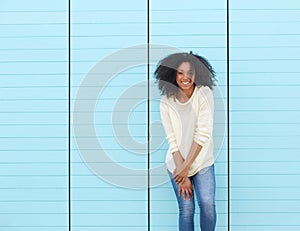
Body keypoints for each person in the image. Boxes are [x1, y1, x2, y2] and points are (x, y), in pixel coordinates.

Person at [155, 52, 217, 231]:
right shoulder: (167, 100)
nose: (185, 77)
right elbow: (172, 140)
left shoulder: (204, 94)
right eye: (180, 72)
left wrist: (185, 169)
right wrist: (181, 172)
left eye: (190, 72)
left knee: (207, 205)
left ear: (197, 74)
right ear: (173, 74)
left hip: (201, 161)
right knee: (187, 209)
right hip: (177, 162)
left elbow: (202, 134)